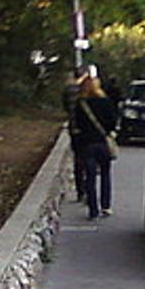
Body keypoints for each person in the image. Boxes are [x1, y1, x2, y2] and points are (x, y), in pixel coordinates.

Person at [72, 77, 119, 219]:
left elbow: (77, 125)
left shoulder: (81, 104)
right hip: (102, 142)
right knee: (105, 174)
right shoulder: (106, 102)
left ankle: (93, 209)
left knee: (90, 177)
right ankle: (106, 206)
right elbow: (113, 121)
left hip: (87, 144)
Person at [62, 66, 89, 201]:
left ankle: (80, 191)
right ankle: (89, 189)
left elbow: (66, 107)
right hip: (87, 130)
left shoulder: (68, 90)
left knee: (78, 159)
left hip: (74, 127)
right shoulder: (87, 90)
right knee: (89, 160)